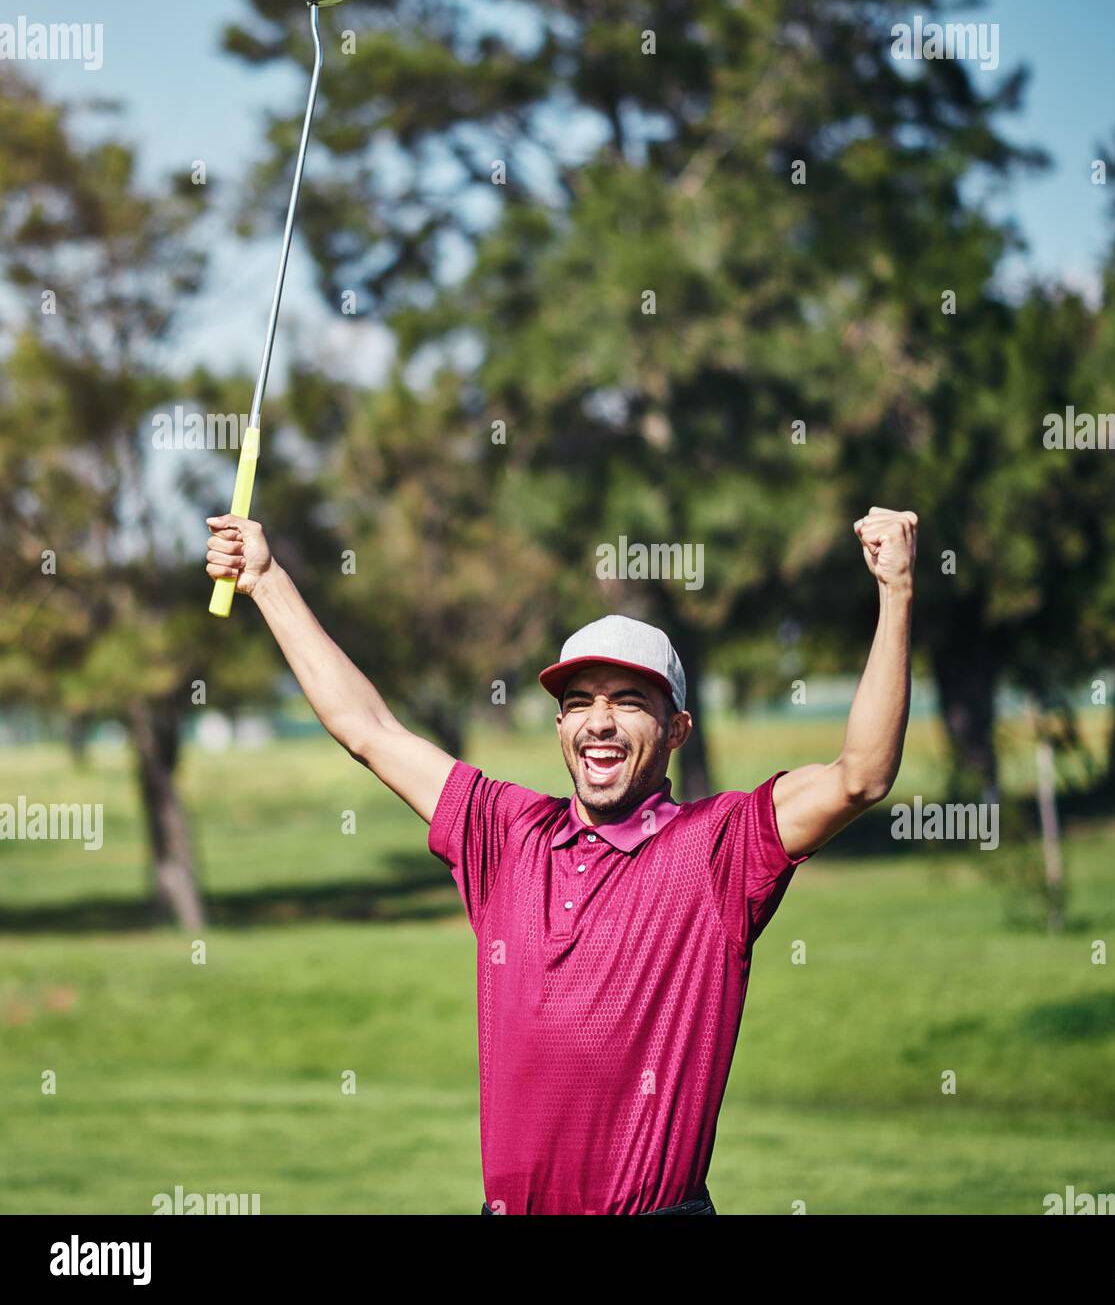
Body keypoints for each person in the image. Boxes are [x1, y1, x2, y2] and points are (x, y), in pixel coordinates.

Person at [204, 505, 918, 1214]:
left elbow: (861, 776)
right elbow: (367, 728)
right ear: (559, 726)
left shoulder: (719, 849)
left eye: (629, 701)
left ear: (677, 730)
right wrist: (266, 579)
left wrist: (895, 593)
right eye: (579, 702)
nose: (599, 722)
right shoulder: (505, 833)